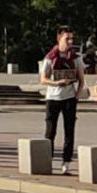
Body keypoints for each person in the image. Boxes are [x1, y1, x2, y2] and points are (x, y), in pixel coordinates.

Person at [40, 26, 84, 175]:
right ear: (59, 39)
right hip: (53, 97)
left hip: (69, 98)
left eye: (72, 38)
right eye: (67, 38)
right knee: (50, 131)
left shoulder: (76, 57)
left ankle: (66, 162)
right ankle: (47, 159)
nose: (70, 41)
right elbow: (43, 79)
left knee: (69, 131)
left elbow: (81, 79)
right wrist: (57, 83)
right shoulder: (50, 57)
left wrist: (77, 95)